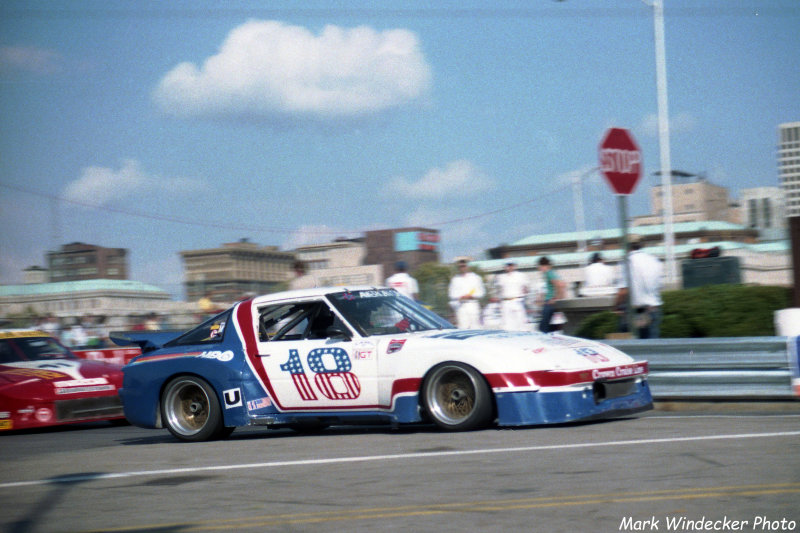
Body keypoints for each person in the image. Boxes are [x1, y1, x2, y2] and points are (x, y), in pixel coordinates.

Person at [616, 236, 664, 338]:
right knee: (652, 349)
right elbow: (659, 286)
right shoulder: (654, 260)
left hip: (633, 313)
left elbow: (623, 291)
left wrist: (616, 306)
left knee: (631, 350)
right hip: (653, 310)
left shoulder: (627, 261)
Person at [448, 258, 485, 329]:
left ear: (468, 266)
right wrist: (460, 297)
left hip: (473, 304)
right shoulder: (455, 279)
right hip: (461, 306)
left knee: (475, 327)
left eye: (464, 266)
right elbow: (451, 294)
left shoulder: (475, 278)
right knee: (463, 327)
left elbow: (481, 292)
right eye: (460, 266)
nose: (462, 268)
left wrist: (472, 296)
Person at [495, 261, 530, 331]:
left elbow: (526, 288)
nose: (509, 267)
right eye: (507, 265)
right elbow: (498, 289)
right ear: (505, 267)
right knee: (507, 325)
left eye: (511, 265)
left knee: (521, 323)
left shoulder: (520, 275)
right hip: (506, 301)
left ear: (515, 266)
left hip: (517, 300)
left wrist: (523, 296)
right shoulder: (501, 277)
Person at [536, 256, 566, 334]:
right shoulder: (553, 273)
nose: (539, 269)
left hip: (550, 303)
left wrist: (555, 299)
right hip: (552, 303)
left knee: (543, 328)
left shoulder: (549, 273)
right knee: (553, 328)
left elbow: (559, 285)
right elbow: (563, 285)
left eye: (539, 267)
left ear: (542, 266)